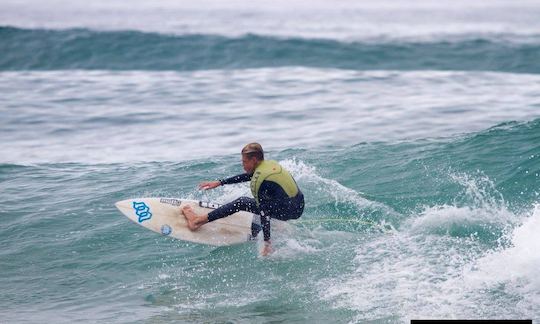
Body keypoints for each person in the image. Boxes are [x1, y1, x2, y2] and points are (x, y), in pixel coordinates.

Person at [182, 143, 305, 256]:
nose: (243, 165)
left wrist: (267, 243)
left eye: (244, 161)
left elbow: (264, 212)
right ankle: (279, 222)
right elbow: (249, 176)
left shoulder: (259, 182)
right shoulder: (269, 166)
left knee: (241, 202)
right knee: (267, 198)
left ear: (254, 160)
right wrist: (220, 183)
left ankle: (197, 221)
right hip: (299, 205)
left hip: (289, 212)